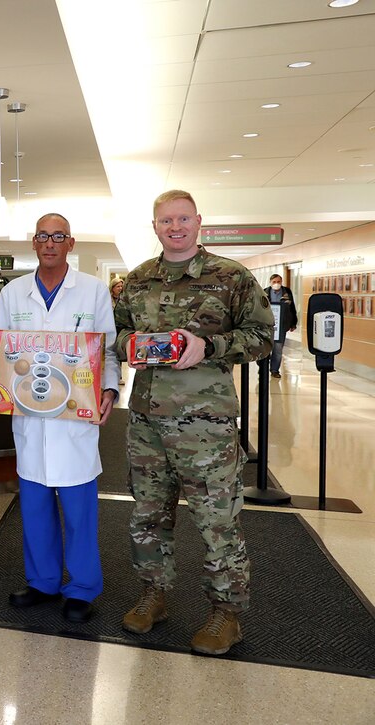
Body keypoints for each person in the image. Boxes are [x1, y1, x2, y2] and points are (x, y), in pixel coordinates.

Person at [114, 189, 273, 655]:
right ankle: (153, 595)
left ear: (199, 221)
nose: (175, 227)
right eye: (166, 220)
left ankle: (227, 613)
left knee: (217, 522)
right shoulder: (139, 279)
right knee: (148, 516)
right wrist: (130, 345)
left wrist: (212, 347)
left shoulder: (232, 276)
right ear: (155, 226)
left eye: (183, 218)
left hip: (207, 427)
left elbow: (263, 336)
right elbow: (120, 332)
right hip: (146, 421)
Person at [0, 214, 119, 623]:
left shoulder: (92, 291)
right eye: (43, 236)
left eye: (58, 236)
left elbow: (107, 350)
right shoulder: (13, 292)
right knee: (36, 508)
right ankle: (42, 582)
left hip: (75, 420)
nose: (50, 243)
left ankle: (81, 588)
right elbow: (1, 355)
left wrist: (109, 389)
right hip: (30, 418)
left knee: (78, 512)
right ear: (34, 242)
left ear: (70, 243)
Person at [264, 273, 298, 378]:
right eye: (274, 282)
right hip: (266, 326)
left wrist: (293, 323)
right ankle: (263, 367)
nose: (276, 284)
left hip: (281, 325)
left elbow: (292, 307)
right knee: (265, 348)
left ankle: (274, 370)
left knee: (278, 349)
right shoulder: (264, 292)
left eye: (278, 282)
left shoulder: (287, 292)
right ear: (270, 283)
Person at [110, 277, 127, 385]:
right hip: (110, 329)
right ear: (112, 288)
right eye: (118, 286)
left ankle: (118, 376)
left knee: (118, 353)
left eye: (121, 286)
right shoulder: (107, 299)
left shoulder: (124, 300)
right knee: (110, 353)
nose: (120, 288)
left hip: (119, 329)